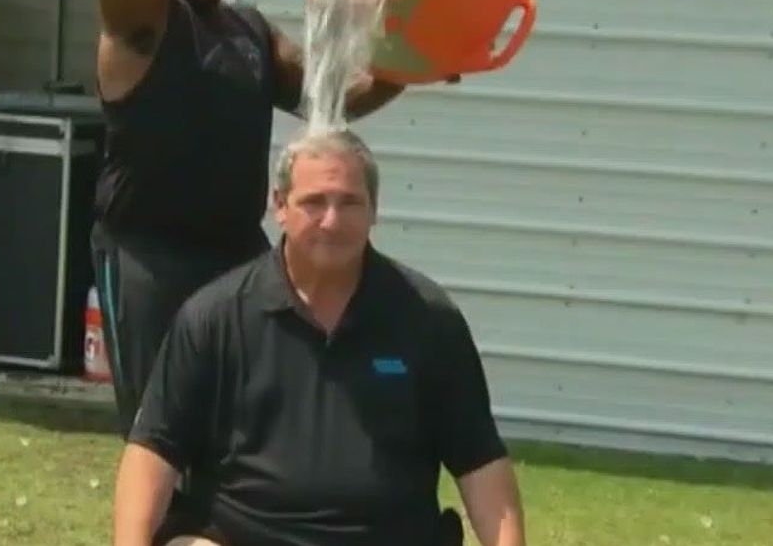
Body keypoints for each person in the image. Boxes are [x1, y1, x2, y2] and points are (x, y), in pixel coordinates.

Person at [90, 0, 455, 436]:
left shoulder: (249, 31)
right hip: (149, 256)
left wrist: (412, 66)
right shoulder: (140, 22)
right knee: (160, 428)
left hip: (238, 250)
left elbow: (336, 97)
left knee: (249, 410)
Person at [111, 129, 526, 546]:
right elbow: (152, 453)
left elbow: (481, 464)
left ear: (374, 210)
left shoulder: (429, 318)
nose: (332, 221)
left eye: (349, 202)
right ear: (280, 207)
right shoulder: (215, 317)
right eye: (314, 202)